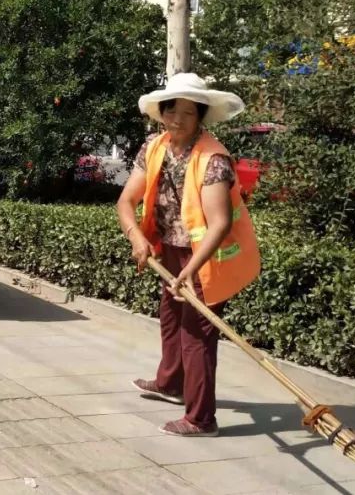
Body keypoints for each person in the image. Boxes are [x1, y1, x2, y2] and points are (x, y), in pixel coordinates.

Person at [116, 73, 261, 437]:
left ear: (199, 117)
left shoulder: (213, 159)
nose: (177, 119)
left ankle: (201, 419)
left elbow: (219, 224)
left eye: (187, 112)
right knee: (170, 317)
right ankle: (170, 384)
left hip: (209, 258)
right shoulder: (154, 146)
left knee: (196, 335)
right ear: (161, 113)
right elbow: (125, 202)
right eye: (171, 110)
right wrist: (136, 237)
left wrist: (189, 272)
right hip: (172, 249)